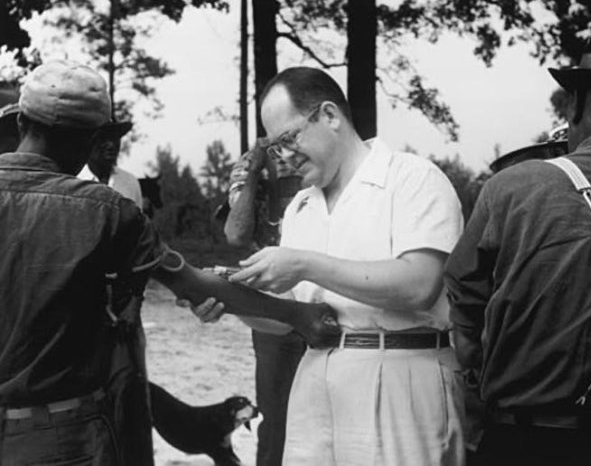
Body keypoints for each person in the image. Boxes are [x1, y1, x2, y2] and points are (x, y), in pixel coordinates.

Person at [0, 60, 340, 465]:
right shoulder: (107, 211)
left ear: (21, 122)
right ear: (92, 139)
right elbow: (192, 284)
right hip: (63, 435)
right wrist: (299, 315)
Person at [203, 66, 466, 465]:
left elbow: (420, 284)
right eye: (275, 148)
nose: (284, 158)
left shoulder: (411, 178)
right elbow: (286, 319)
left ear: (329, 116)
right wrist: (233, 302)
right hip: (315, 384)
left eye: (289, 139)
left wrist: (305, 264)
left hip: (403, 377)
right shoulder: (301, 208)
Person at [445, 25, 591, 466]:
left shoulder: (509, 189)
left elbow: (463, 298)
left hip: (522, 445)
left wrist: (482, 371)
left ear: (574, 104)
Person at [224, 142, 306, 466]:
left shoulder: (322, 152)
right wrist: (257, 172)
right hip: (274, 304)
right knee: (275, 419)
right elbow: (236, 233)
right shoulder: (254, 163)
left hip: (327, 297)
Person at [78, 119, 143, 208]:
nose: (111, 145)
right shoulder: (76, 182)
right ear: (89, 141)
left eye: (115, 137)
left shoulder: (130, 183)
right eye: (103, 138)